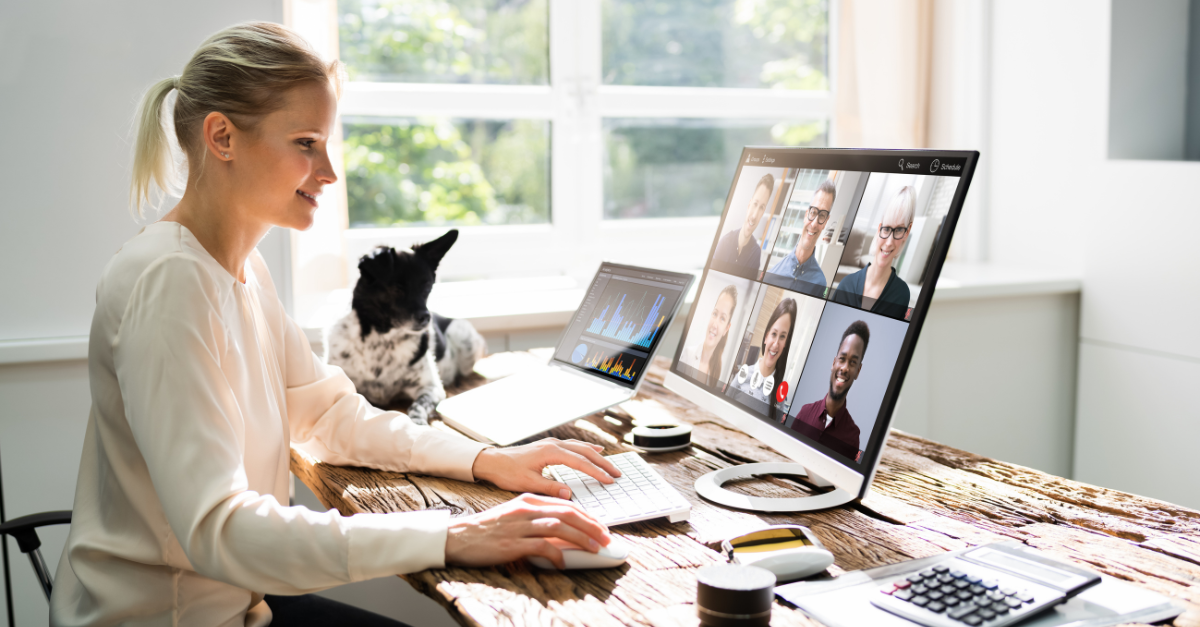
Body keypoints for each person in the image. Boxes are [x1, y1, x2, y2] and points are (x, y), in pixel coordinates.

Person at [51, 23, 621, 627]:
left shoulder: (241, 271)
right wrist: (454, 533)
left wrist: (483, 460)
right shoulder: (167, 283)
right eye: (306, 142)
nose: (328, 171)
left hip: (239, 604)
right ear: (222, 137)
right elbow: (220, 530)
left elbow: (326, 416)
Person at [832, 186, 916, 320]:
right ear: (879, 229)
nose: (889, 242)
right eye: (887, 229)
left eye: (899, 230)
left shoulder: (902, 294)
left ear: (907, 232)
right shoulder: (846, 285)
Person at [790, 321, 868, 460]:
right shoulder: (804, 413)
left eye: (852, 362)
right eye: (842, 359)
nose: (844, 368)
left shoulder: (853, 437)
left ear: (858, 371)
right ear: (834, 363)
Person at [727, 298, 797, 421]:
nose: (775, 344)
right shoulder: (742, 376)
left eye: (782, 337)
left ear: (786, 344)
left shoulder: (780, 396)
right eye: (774, 334)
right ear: (766, 337)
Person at [765, 178, 835, 297]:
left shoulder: (820, 284)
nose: (814, 224)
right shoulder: (772, 274)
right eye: (813, 212)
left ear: (826, 222)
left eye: (822, 215)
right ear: (806, 214)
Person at [713, 173, 775, 273]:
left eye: (761, 208)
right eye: (755, 204)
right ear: (749, 205)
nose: (755, 215)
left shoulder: (756, 254)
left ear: (763, 212)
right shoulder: (725, 241)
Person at [680, 284, 738, 387]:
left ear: (726, 328)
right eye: (715, 314)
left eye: (722, 318)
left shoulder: (717, 371)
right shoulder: (688, 355)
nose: (714, 324)